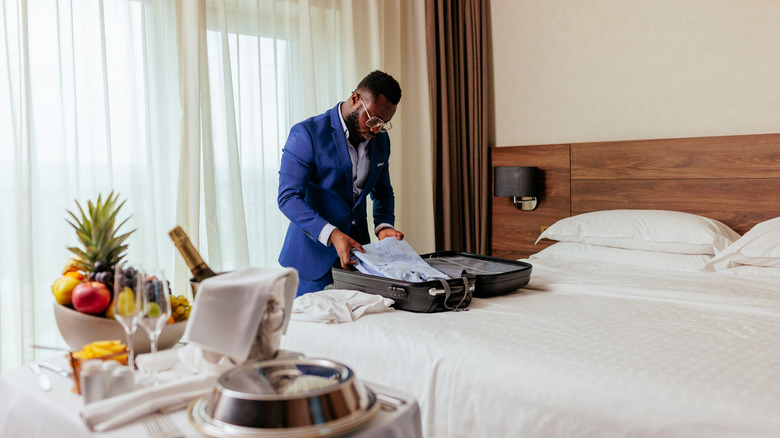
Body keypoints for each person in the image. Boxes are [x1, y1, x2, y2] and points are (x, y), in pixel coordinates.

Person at [278, 70, 405, 296]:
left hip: (358, 260)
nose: (377, 129)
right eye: (374, 119)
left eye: (384, 123)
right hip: (309, 263)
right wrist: (333, 234)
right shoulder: (307, 134)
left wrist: (383, 226)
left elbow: (383, 192)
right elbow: (288, 198)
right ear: (355, 98)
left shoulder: (381, 141)